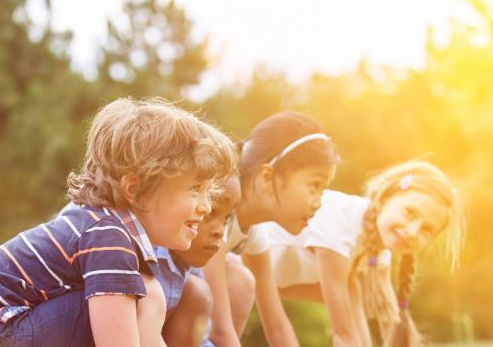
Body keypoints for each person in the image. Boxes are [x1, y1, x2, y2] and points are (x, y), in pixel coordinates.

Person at [0, 98, 236, 347]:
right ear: (136, 190)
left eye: (208, 191)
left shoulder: (100, 226)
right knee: (143, 294)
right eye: (195, 189)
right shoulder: (108, 236)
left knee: (147, 292)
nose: (206, 206)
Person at [262, 160, 468, 346]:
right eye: (409, 212)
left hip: (260, 284)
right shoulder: (340, 225)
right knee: (349, 289)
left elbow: (389, 320)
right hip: (235, 263)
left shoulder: (375, 253)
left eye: (426, 229)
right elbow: (343, 335)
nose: (412, 231)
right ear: (386, 197)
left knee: (352, 288)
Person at [204, 111, 339, 347]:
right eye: (313, 186)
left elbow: (277, 326)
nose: (319, 203)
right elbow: (220, 330)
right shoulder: (216, 214)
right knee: (239, 280)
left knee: (241, 280)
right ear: (267, 177)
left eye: (323, 190)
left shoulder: (252, 231)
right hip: (146, 293)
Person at [156, 174, 241, 347]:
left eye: (226, 219)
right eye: (210, 213)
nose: (220, 231)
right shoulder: (147, 260)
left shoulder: (190, 268)